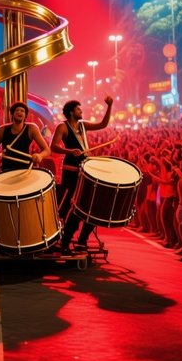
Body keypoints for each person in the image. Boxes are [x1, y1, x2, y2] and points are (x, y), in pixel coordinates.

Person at [49, 96, 113, 253]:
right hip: (71, 171)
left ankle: (82, 240)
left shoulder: (83, 126)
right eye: (78, 109)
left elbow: (103, 124)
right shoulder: (62, 127)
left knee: (92, 207)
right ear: (71, 112)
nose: (81, 111)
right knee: (74, 207)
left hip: (85, 171)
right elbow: (54, 146)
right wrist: (69, 151)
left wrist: (109, 106)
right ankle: (64, 240)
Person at [0, 101, 51, 172]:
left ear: (25, 115)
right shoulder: (2, 129)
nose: (20, 112)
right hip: (7, 170)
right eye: (17, 110)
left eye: (22, 111)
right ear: (12, 114)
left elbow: (47, 150)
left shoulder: (32, 128)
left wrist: (40, 156)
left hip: (25, 169)